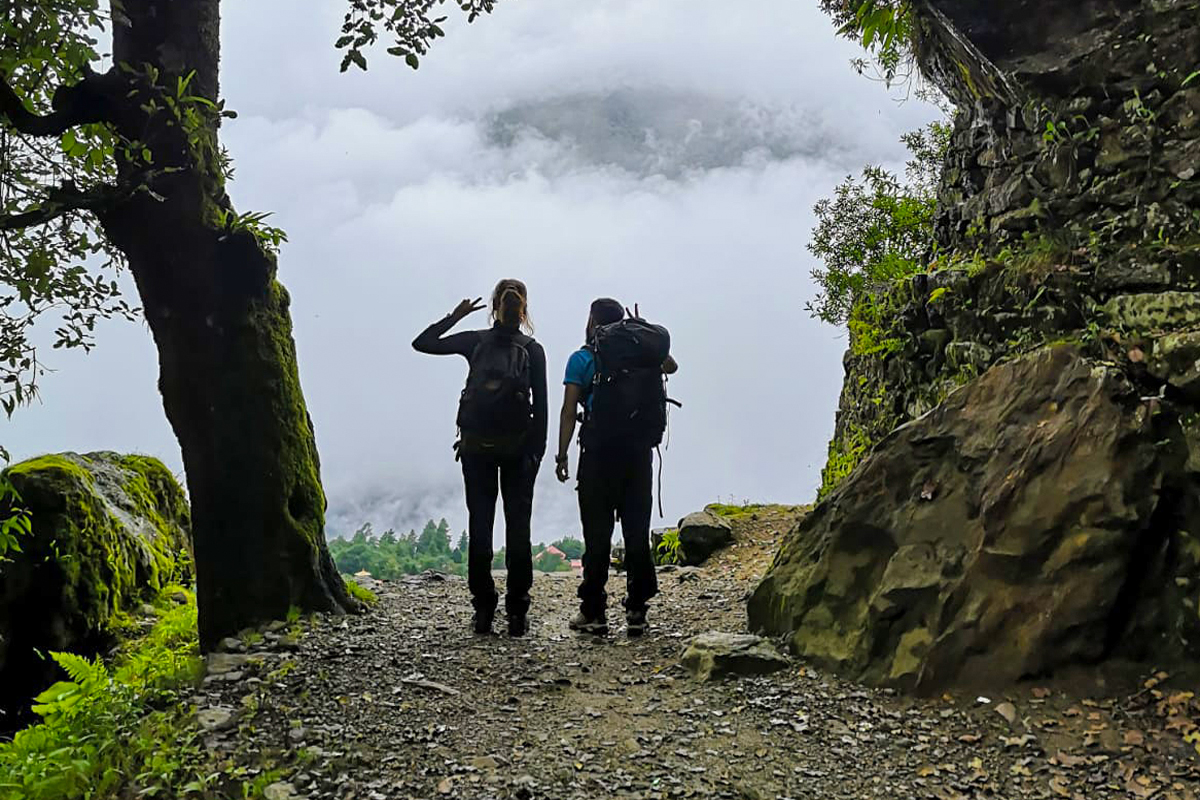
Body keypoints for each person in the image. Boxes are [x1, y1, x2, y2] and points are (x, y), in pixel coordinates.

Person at [412, 279, 547, 636]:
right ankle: (517, 613)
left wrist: (453, 317)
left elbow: (422, 343)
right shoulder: (532, 349)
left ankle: (484, 610)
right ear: (524, 308)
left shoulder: (475, 341)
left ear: (493, 306)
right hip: (519, 451)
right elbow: (543, 411)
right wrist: (537, 454)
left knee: (480, 525)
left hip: (476, 448)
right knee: (519, 529)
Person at [556, 298, 677, 636]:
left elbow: (568, 411)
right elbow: (672, 367)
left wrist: (562, 453)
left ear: (593, 322)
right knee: (636, 531)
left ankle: (593, 612)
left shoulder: (582, 358)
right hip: (638, 454)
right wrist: (645, 333)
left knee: (597, 535)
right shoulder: (644, 355)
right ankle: (637, 610)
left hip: (597, 455)